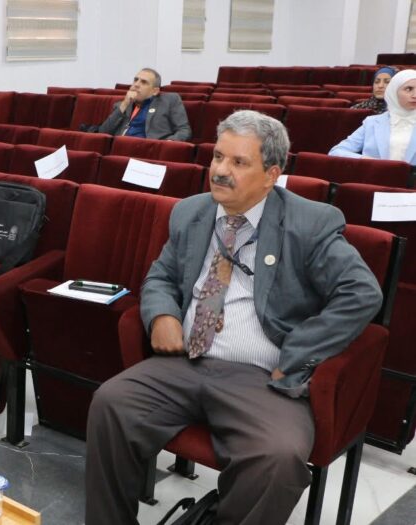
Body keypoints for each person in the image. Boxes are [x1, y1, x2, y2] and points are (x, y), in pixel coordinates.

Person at [85, 110, 382, 524]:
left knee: (279, 457)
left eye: (239, 162)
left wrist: (297, 355)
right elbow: (161, 276)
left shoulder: (310, 223)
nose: (221, 171)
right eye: (218, 157)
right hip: (184, 362)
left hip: (261, 377)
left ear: (271, 174)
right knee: (110, 404)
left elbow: (362, 293)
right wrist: (162, 315)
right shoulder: (191, 212)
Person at [330, 69, 416, 164]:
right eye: (409, 89)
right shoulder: (371, 122)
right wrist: (370, 162)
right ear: (394, 91)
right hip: (374, 173)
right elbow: (336, 151)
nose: (415, 95)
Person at [97, 68, 191, 141]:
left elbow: (184, 130)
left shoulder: (169, 101)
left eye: (144, 82)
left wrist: (167, 144)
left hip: (149, 151)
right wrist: (124, 104)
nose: (136, 84)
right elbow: (103, 132)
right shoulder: (122, 105)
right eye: (135, 80)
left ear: (155, 91)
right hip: (121, 149)